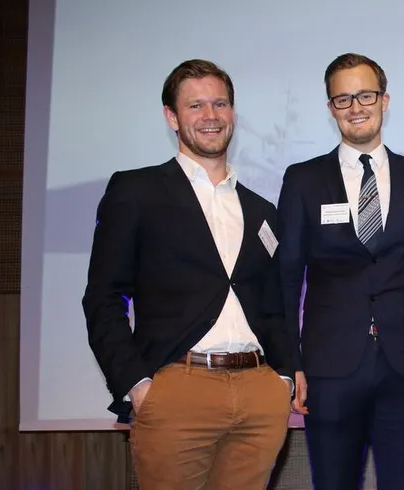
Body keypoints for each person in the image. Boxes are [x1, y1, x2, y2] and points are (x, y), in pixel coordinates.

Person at [82, 59, 295, 490]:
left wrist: (283, 380)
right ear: (171, 116)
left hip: (259, 395)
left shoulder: (261, 210)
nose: (210, 116)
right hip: (177, 389)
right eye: (195, 105)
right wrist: (137, 385)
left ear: (233, 113)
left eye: (219, 103)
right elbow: (103, 297)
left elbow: (274, 304)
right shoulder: (135, 191)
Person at [274, 52, 404, 490]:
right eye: (343, 98)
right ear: (331, 108)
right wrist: (290, 363)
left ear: (385, 100)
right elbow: (287, 277)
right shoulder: (302, 180)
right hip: (329, 366)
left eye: (365, 94)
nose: (356, 106)